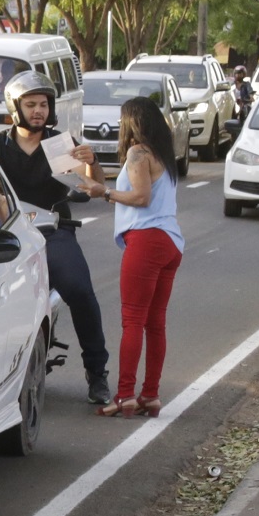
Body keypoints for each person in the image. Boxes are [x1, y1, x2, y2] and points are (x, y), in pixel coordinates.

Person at [0, 69, 112, 406]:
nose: (38, 110)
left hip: (52, 233)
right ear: (15, 107)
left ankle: (97, 373)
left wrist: (91, 162)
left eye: (43, 104)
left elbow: (89, 187)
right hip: (7, 237)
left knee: (81, 291)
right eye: (31, 104)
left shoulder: (59, 143)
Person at [96, 94, 186, 418]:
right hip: (171, 242)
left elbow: (140, 197)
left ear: (132, 122)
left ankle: (124, 396)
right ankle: (150, 395)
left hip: (146, 241)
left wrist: (104, 192)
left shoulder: (138, 153)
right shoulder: (164, 155)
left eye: (123, 120)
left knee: (133, 322)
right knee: (155, 324)